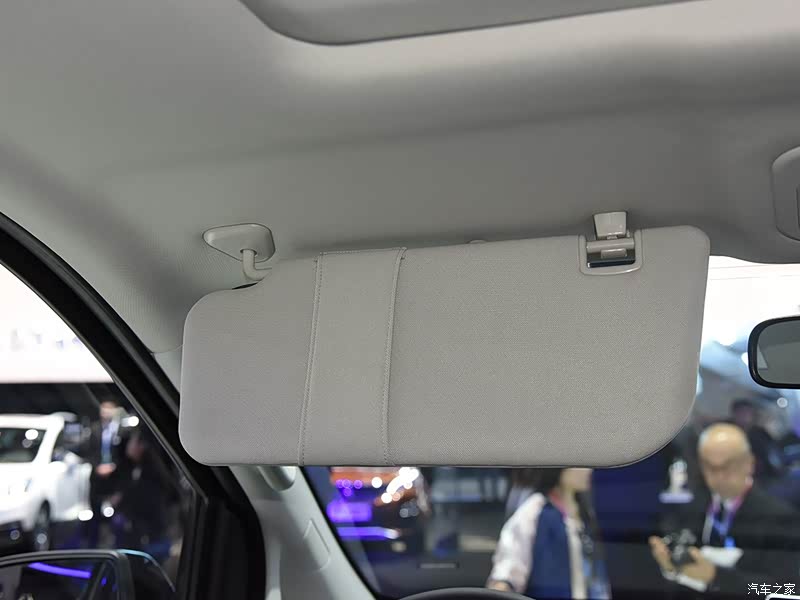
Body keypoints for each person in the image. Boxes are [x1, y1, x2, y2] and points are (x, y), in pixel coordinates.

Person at [649, 423, 800, 596]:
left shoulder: (780, 518)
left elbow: (786, 588)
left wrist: (716, 577)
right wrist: (671, 568)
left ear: (750, 463)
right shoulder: (690, 509)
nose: (719, 476)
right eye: (710, 466)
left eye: (728, 466)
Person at [487, 468, 610, 599]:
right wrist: (501, 587)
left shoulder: (585, 511)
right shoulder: (535, 509)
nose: (588, 470)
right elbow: (509, 566)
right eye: (580, 463)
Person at [85, 397, 129, 546]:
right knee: (95, 514)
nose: (106, 413)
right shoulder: (94, 429)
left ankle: (117, 544)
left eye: (109, 410)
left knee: (117, 515)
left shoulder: (123, 431)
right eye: (103, 410)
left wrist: (113, 466)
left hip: (115, 478)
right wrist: (98, 466)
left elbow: (124, 456)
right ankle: (94, 545)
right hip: (97, 477)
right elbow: (89, 452)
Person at [729, 399, 784, 482]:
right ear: (734, 414)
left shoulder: (760, 432)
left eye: (747, 412)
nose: (745, 415)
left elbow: (773, 452)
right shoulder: (726, 433)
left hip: (765, 477)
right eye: (741, 412)